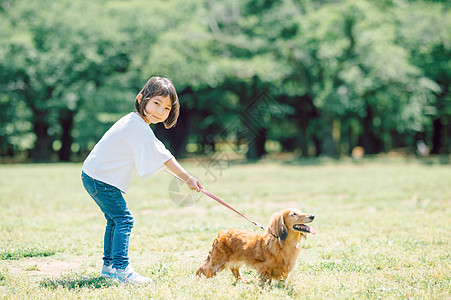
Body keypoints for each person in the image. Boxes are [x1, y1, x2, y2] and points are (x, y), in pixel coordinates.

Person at [81, 76, 203, 285]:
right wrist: (188, 178)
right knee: (124, 219)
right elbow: (164, 156)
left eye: (166, 108)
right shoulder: (137, 125)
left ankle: (109, 268)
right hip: (100, 179)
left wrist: (186, 178)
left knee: (114, 219)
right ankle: (121, 269)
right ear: (142, 98)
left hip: (94, 176)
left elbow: (158, 153)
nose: (159, 111)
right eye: (156, 103)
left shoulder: (134, 122)